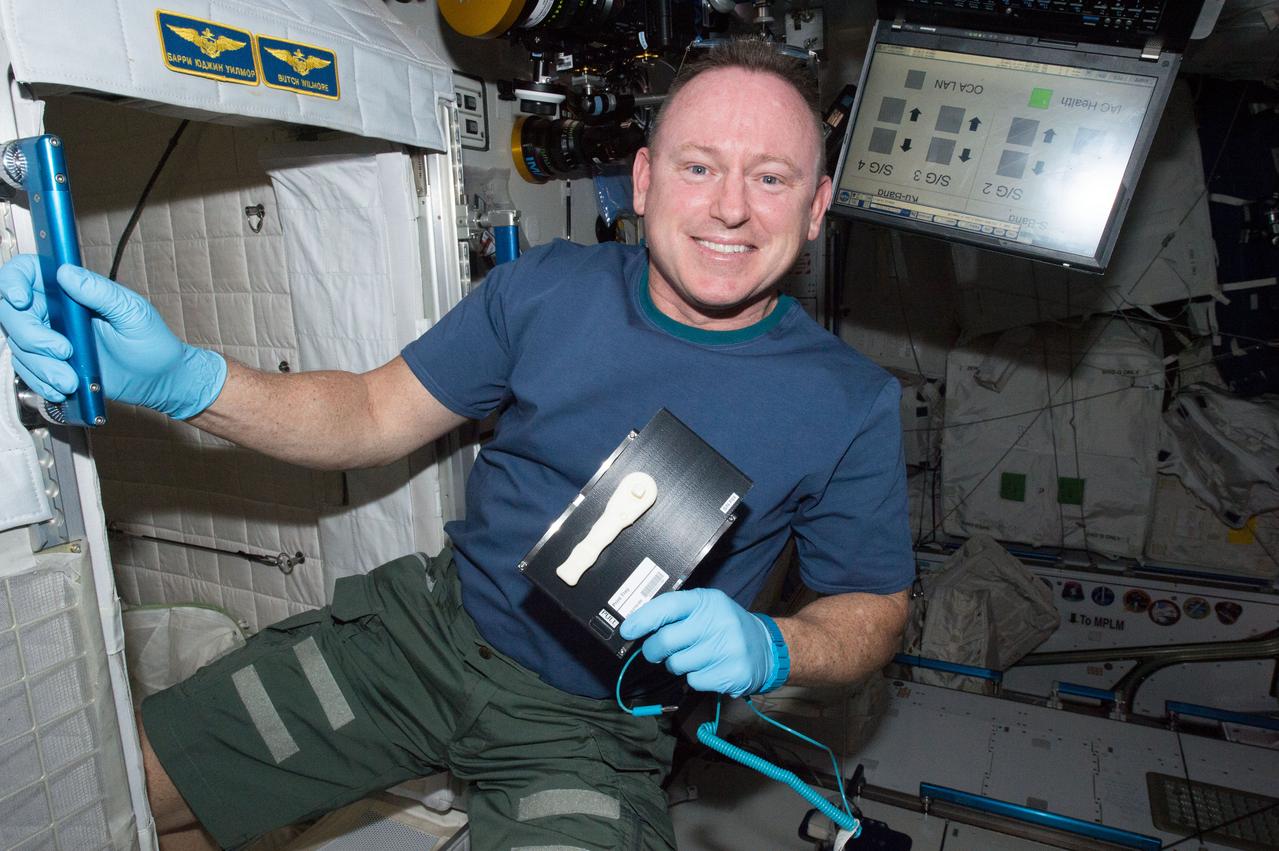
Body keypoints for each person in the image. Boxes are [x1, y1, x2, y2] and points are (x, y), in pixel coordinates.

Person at [0, 39, 912, 850]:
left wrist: (773, 646)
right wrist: (190, 380)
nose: (728, 209)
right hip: (423, 638)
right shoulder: (544, 291)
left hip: (586, 729)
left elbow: (873, 604)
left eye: (770, 177)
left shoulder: (846, 400)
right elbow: (367, 410)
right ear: (642, 180)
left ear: (816, 203)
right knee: (113, 792)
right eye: (698, 167)